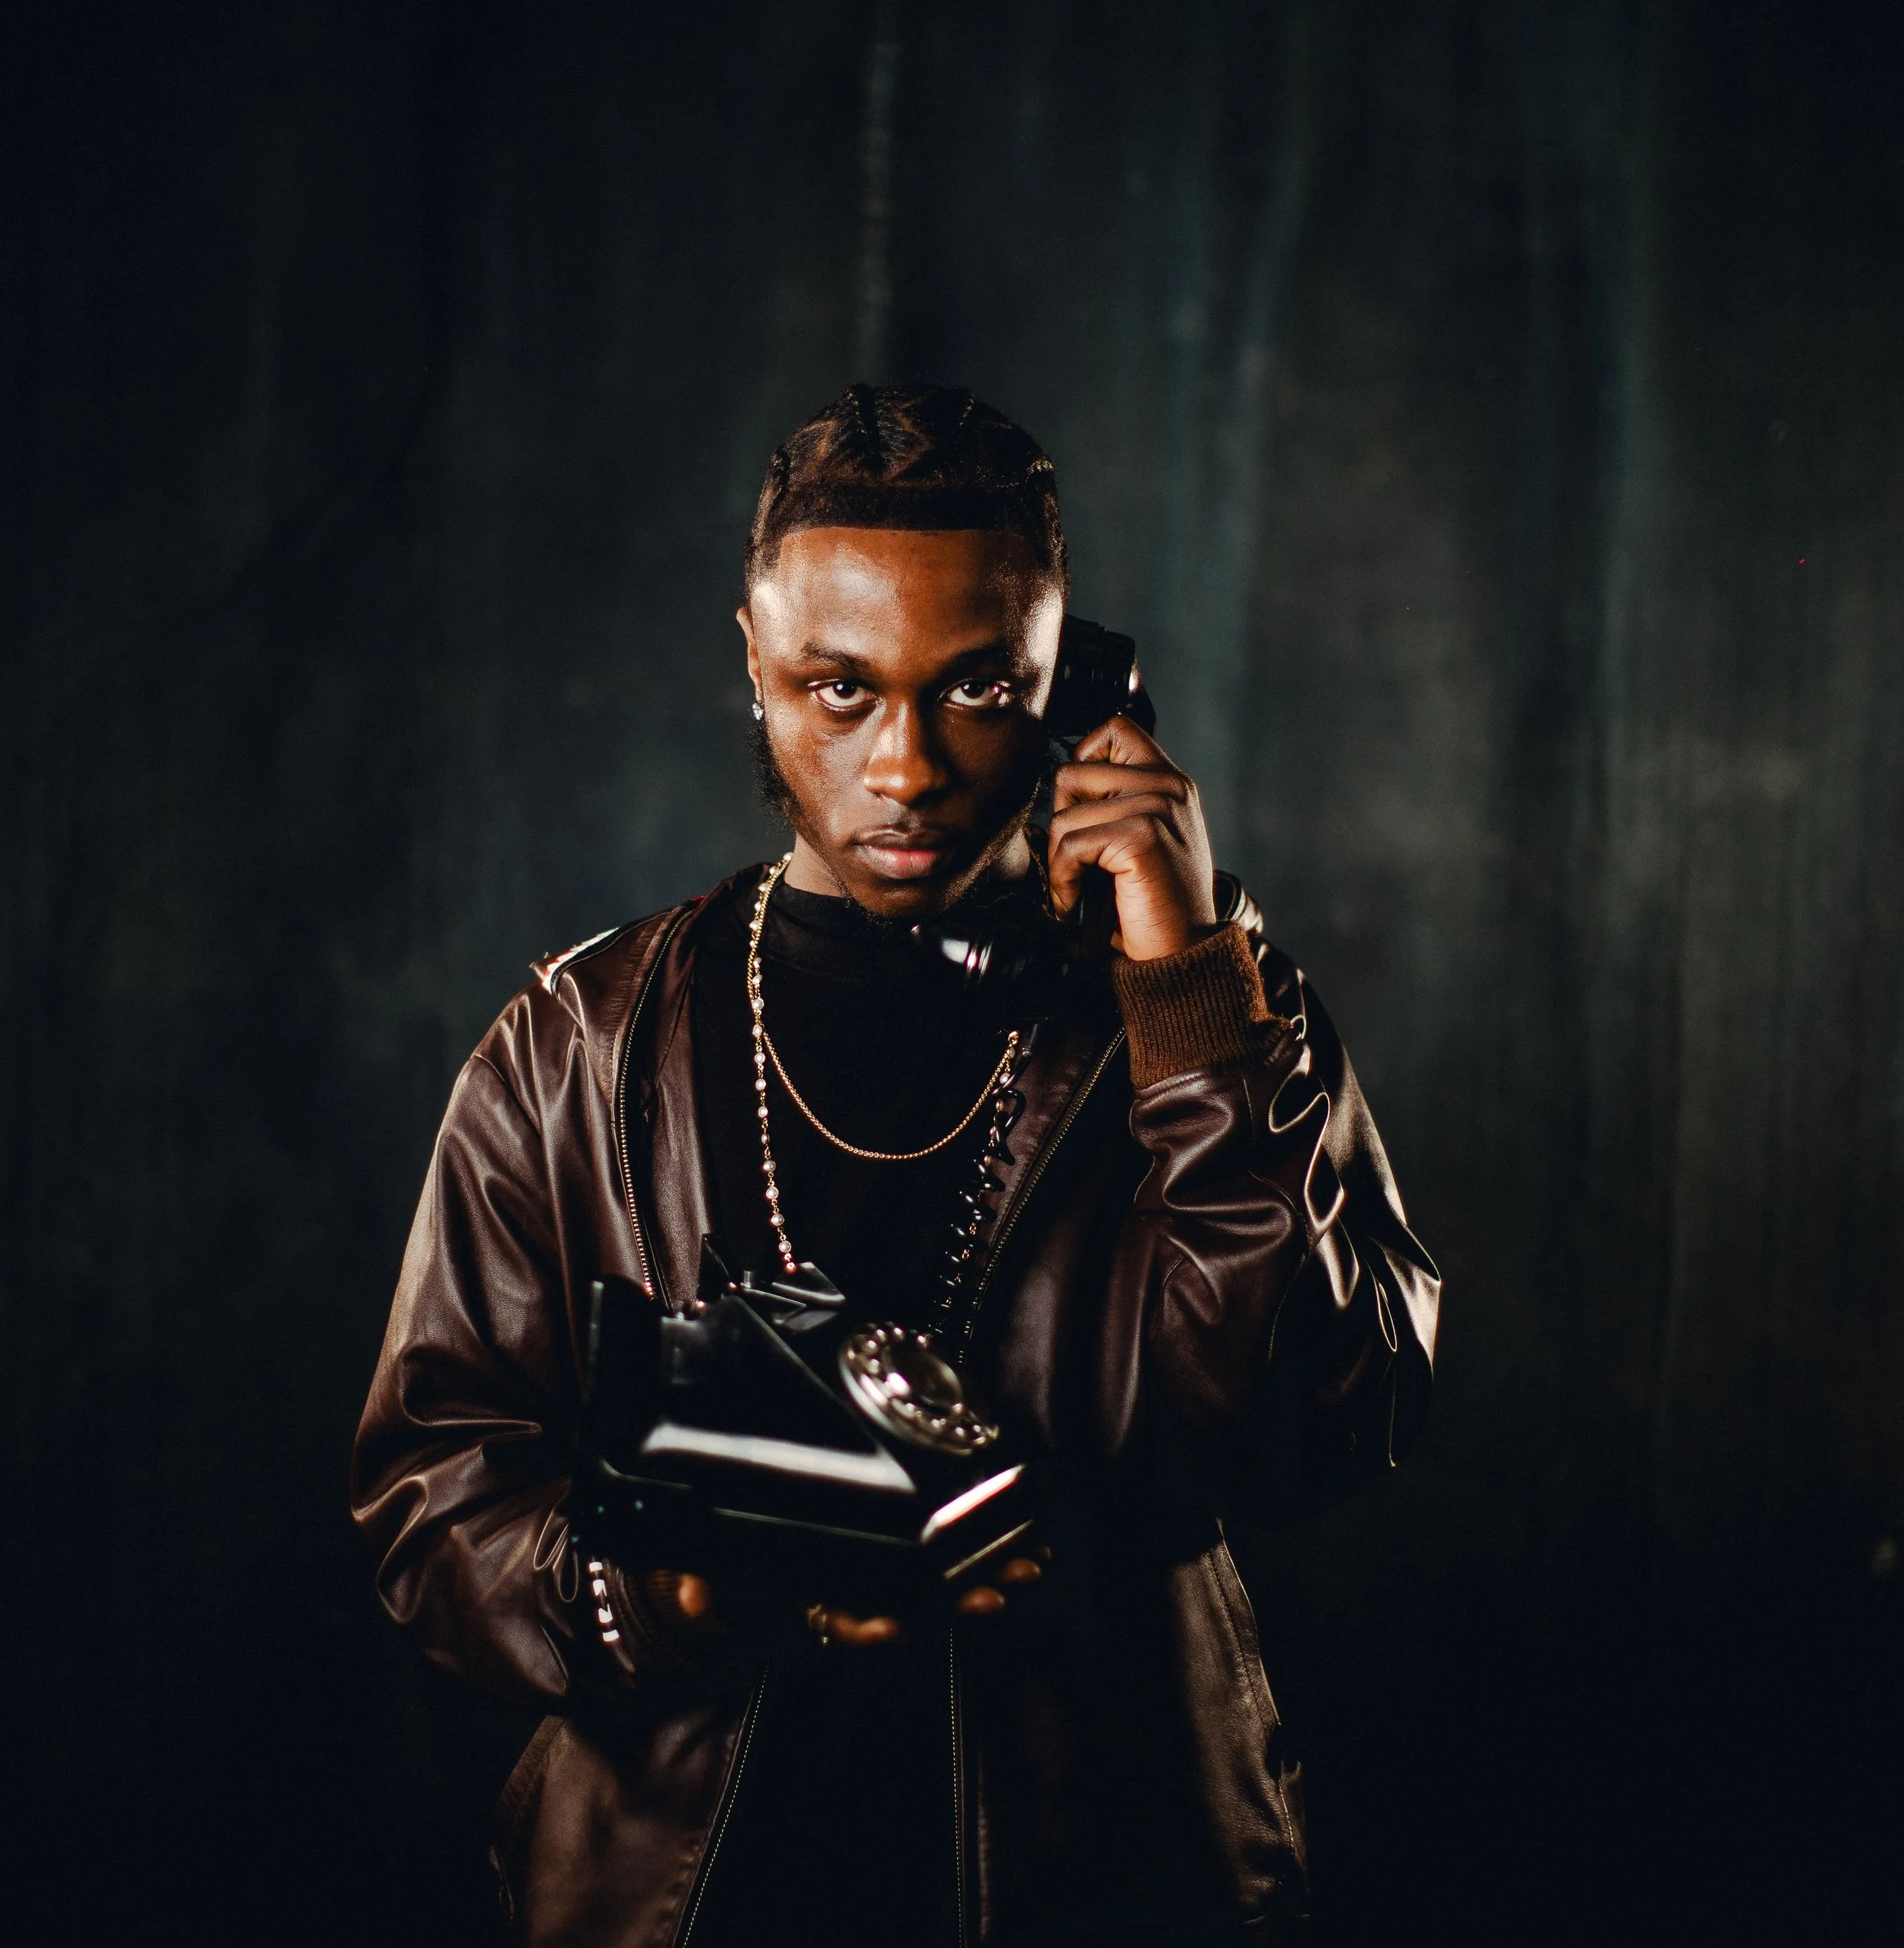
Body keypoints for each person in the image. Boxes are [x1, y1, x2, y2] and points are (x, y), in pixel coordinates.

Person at [350, 384, 1440, 1946]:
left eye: (980, 689)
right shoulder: (581, 1044)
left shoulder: (1199, 996)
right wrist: (675, 1595)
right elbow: (432, 1499)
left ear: (1075, 684)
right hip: (687, 1900)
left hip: (1110, 1880)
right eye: (838, 690)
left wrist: (1187, 996)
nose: (908, 765)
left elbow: (1314, 1430)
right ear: (754, 661)